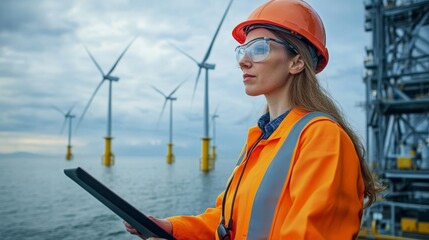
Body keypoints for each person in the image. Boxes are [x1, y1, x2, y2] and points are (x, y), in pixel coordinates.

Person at [125, 0, 384, 239]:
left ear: (296, 62)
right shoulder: (260, 140)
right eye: (242, 51)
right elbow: (227, 220)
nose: (244, 62)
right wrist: (172, 228)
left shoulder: (323, 139)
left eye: (259, 48)